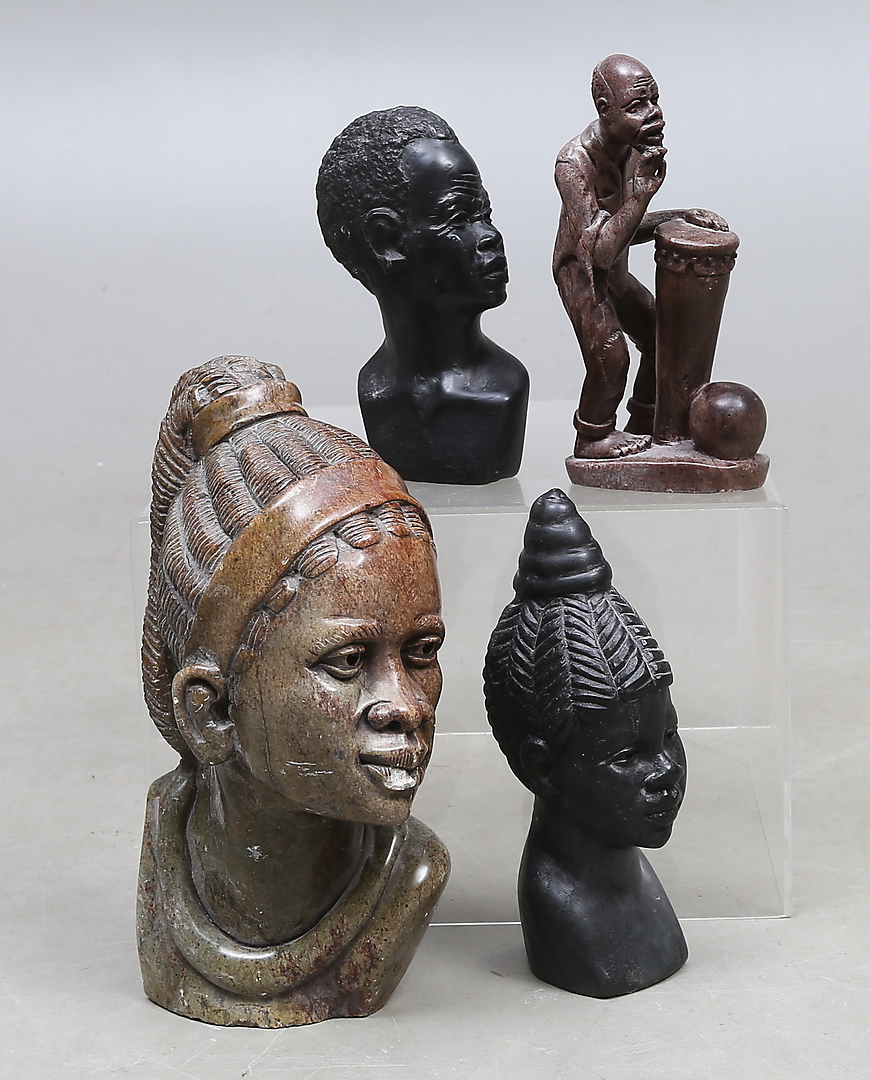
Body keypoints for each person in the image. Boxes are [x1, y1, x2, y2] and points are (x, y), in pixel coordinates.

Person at [138, 355, 449, 1027]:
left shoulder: (414, 871)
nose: (408, 705)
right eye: (347, 661)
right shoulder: (166, 836)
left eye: (421, 652)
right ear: (212, 711)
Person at [484, 489, 688, 997]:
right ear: (543, 769)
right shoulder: (563, 907)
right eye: (627, 756)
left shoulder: (629, 863)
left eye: (669, 736)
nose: (666, 770)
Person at [318, 107, 528, 485]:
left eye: (485, 215)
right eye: (458, 218)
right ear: (386, 242)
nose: (490, 236)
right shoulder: (376, 390)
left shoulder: (506, 387)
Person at [554, 54, 727, 459]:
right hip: (584, 277)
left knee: (659, 336)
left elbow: (623, 231)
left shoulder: (634, 147)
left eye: (655, 100)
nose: (653, 113)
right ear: (604, 110)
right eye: (636, 106)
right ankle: (593, 436)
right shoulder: (574, 163)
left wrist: (678, 214)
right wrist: (641, 197)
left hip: (614, 271)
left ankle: (647, 420)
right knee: (611, 356)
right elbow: (598, 252)